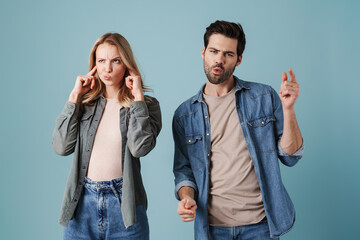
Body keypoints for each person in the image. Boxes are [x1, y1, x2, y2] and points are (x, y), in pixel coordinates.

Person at [173, 20, 304, 239]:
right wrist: (187, 198)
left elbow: (291, 156)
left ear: (239, 59)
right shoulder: (185, 115)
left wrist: (288, 109)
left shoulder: (264, 97)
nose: (219, 60)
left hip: (260, 225)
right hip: (212, 228)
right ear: (203, 52)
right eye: (214, 51)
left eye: (228, 54)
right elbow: (183, 170)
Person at [52, 33, 161, 240]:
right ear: (94, 64)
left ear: (127, 64)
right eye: (101, 61)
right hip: (82, 204)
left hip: (124, 206)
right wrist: (74, 97)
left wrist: (137, 98)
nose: (107, 69)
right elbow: (61, 146)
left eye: (116, 61)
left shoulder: (147, 106)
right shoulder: (84, 104)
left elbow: (140, 148)